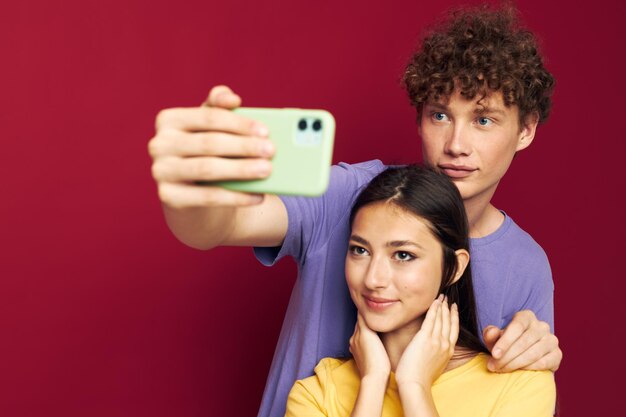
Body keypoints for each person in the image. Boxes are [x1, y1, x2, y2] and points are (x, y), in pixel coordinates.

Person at [148, 5, 561, 417]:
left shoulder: (526, 267)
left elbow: (517, 386)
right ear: (418, 119)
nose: (456, 143)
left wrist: (538, 352)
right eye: (439, 115)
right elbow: (220, 225)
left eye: (483, 120)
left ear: (525, 130)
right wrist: (194, 191)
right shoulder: (352, 195)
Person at [286, 165, 556, 416]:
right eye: (360, 250)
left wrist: (414, 385)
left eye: (403, 255)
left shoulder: (522, 385)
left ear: (454, 268)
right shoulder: (317, 392)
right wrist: (372, 381)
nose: (373, 279)